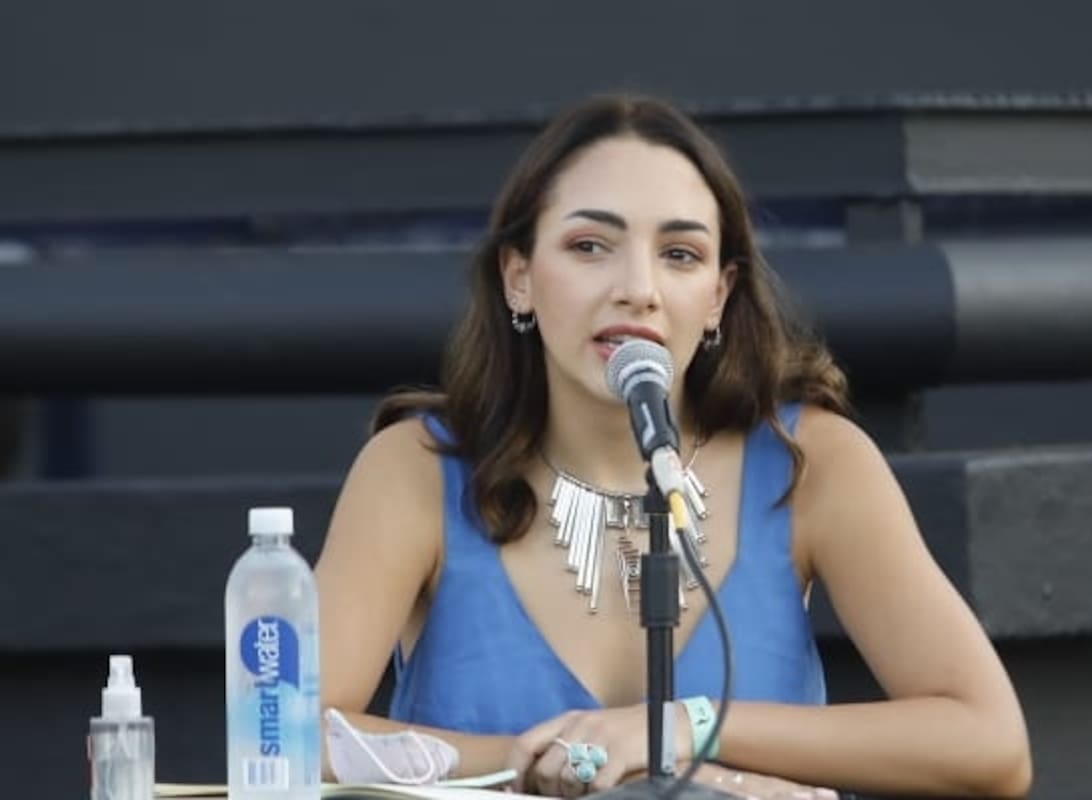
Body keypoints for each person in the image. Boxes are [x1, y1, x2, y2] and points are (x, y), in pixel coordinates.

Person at [315, 94, 1032, 799]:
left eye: (680, 254)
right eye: (590, 246)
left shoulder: (811, 462)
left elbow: (989, 744)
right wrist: (566, 761)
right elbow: (285, 734)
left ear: (719, 296)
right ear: (519, 277)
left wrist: (686, 730)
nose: (639, 289)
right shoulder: (416, 469)